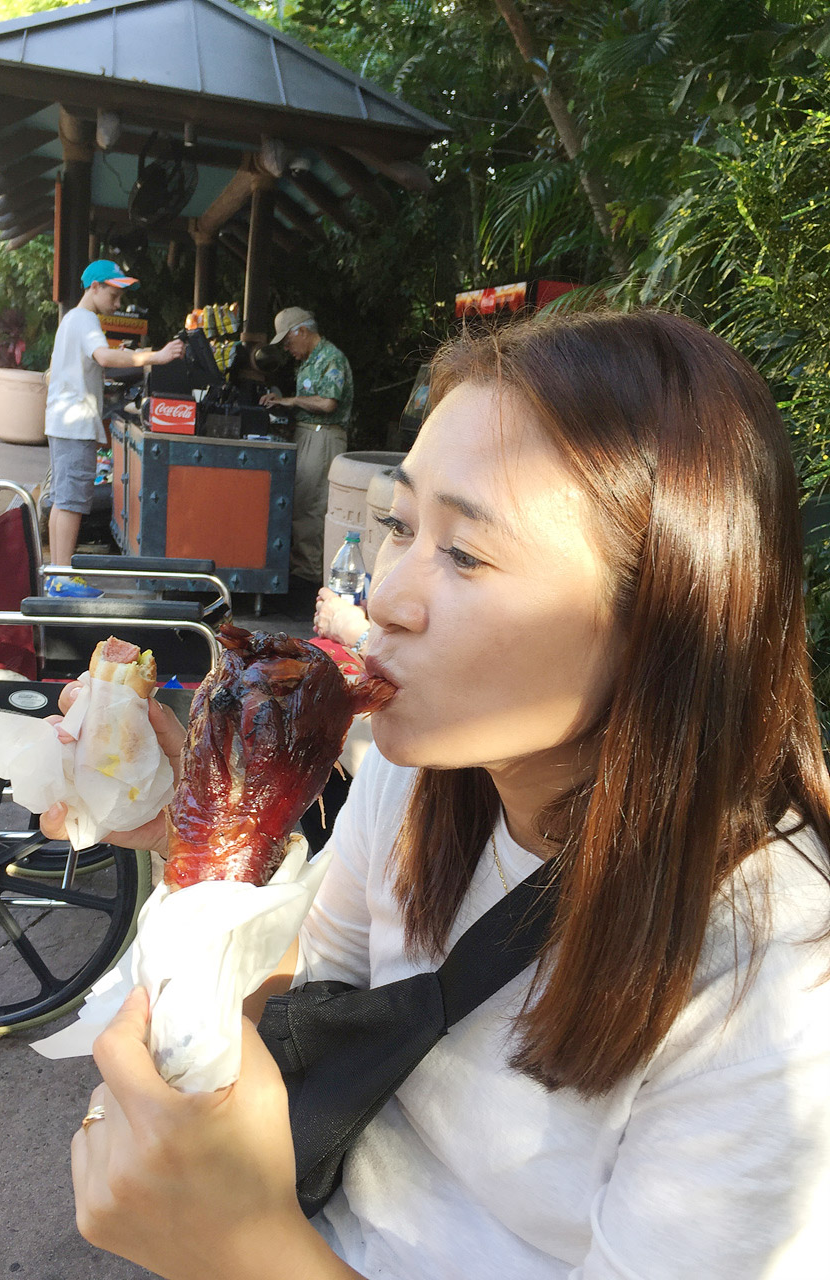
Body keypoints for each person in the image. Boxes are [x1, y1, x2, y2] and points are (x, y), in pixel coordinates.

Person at [53, 309, 830, 1279]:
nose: (384, 598)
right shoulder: (415, 773)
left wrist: (240, 1248)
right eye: (401, 525)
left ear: (666, 620)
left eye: (464, 554)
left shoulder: (781, 982)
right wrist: (206, 838)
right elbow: (320, 994)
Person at [44, 259, 184, 597]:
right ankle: (63, 580)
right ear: (95, 287)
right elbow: (104, 358)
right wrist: (157, 356)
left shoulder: (71, 320)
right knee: (72, 502)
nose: (118, 304)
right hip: (76, 424)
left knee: (62, 500)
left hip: (61, 422)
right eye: (114, 295)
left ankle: (57, 576)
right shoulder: (87, 319)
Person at [259, 307, 353, 585]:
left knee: (311, 506)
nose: (287, 349)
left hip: (322, 437)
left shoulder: (331, 357)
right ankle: (301, 568)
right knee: (301, 503)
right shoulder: (311, 360)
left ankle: (308, 577)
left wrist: (290, 401)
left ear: (302, 331)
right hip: (309, 434)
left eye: (288, 341)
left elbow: (327, 403)